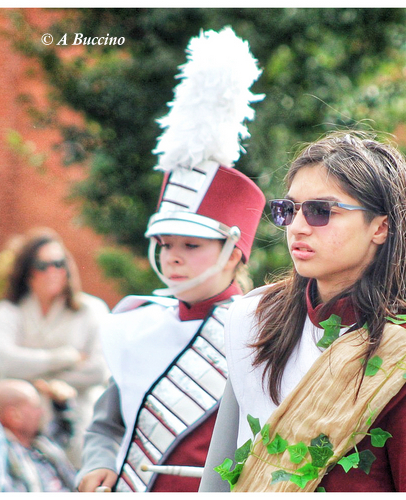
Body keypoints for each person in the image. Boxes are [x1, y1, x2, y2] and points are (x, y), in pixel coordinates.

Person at [200, 131, 406, 492]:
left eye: (320, 211)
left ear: (381, 227)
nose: (296, 227)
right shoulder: (252, 318)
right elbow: (221, 471)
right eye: (289, 210)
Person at [76, 26, 265, 493]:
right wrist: (94, 464)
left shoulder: (265, 327)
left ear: (233, 250)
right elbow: (107, 425)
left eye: (191, 245)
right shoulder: (136, 320)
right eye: (166, 244)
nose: (174, 257)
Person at [0, 227, 110, 467]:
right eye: (42, 265)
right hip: (20, 429)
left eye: (58, 263)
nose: (52, 271)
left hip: (79, 427)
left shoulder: (91, 310)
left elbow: (99, 370)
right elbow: (4, 361)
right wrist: (65, 358)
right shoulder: (8, 311)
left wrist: (39, 378)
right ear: (26, 271)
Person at [0, 379, 77, 492]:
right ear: (14, 415)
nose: (41, 412)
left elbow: (63, 432)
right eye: (35, 406)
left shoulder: (40, 444)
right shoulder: (2, 457)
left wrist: (61, 404)